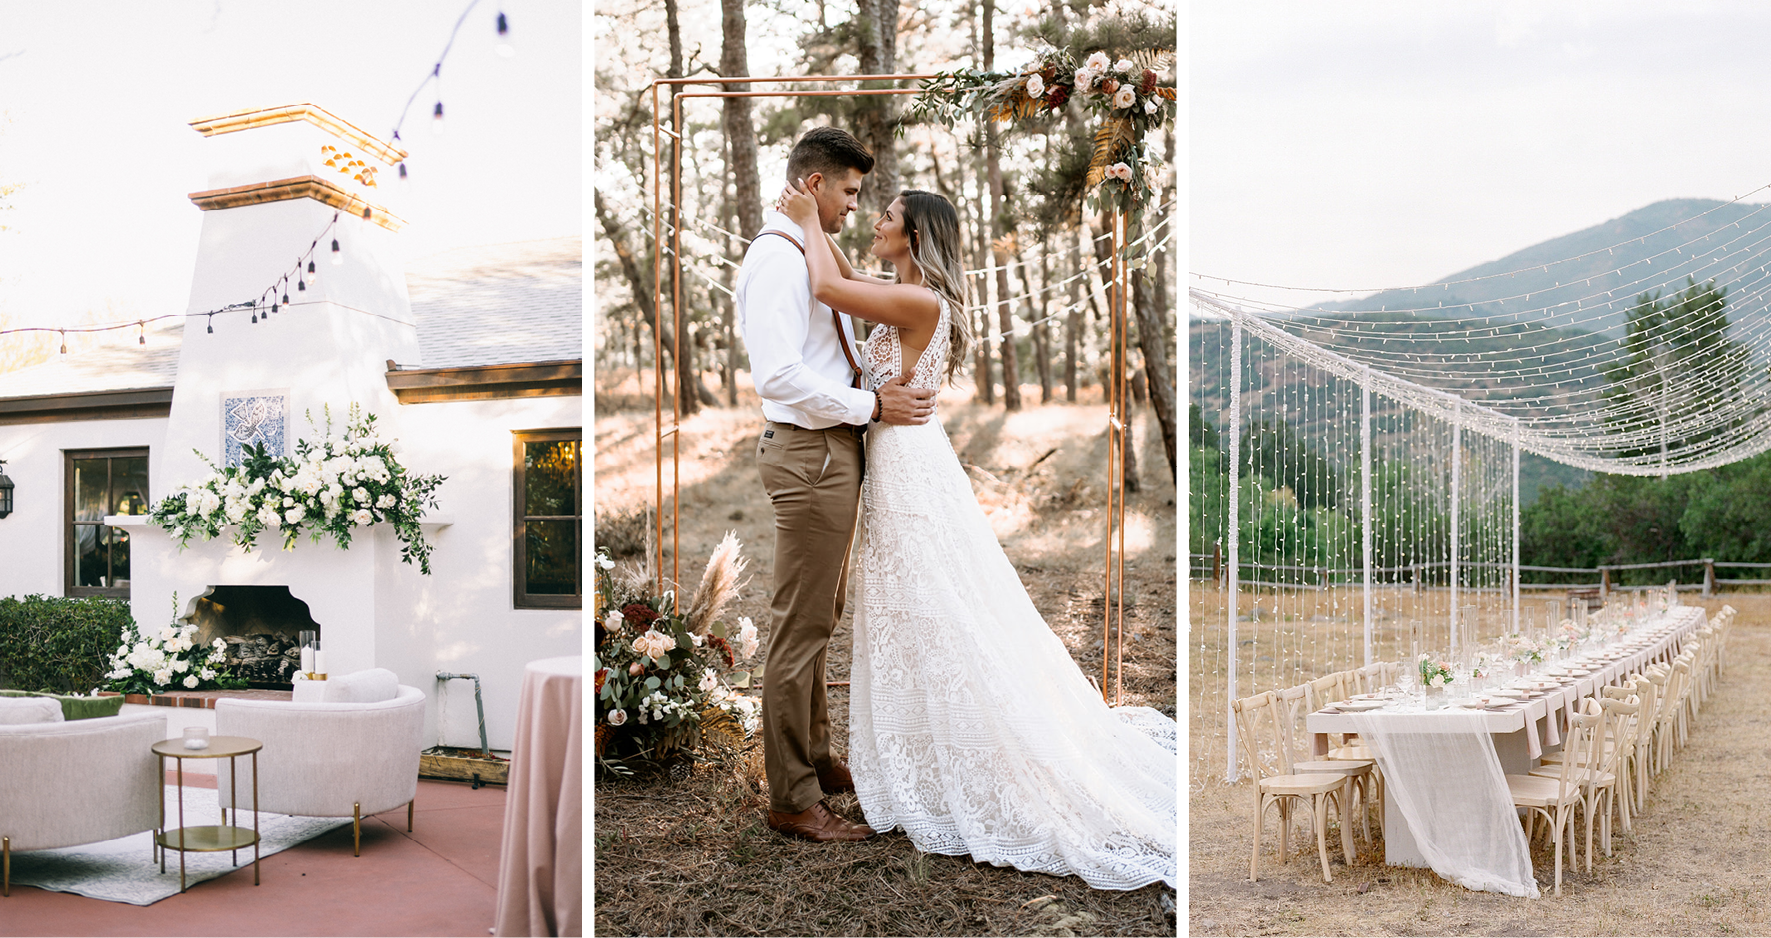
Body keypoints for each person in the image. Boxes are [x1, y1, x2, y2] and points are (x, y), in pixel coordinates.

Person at [774, 178, 1179, 890]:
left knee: (937, 606)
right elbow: (837, 275)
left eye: (888, 216)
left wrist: (808, 219)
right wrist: (818, 225)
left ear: (917, 237)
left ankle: (973, 744)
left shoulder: (917, 300)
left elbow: (826, 288)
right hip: (900, 457)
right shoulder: (900, 290)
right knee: (922, 603)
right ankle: (928, 744)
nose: (874, 220)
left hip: (907, 466)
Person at [734, 127, 937, 844]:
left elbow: (840, 294)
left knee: (823, 612)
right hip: (810, 450)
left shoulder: (804, 249)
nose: (855, 207)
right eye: (847, 192)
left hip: (830, 451)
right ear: (813, 184)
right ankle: (791, 798)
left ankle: (816, 757)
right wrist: (872, 406)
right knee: (800, 626)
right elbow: (780, 376)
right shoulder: (777, 260)